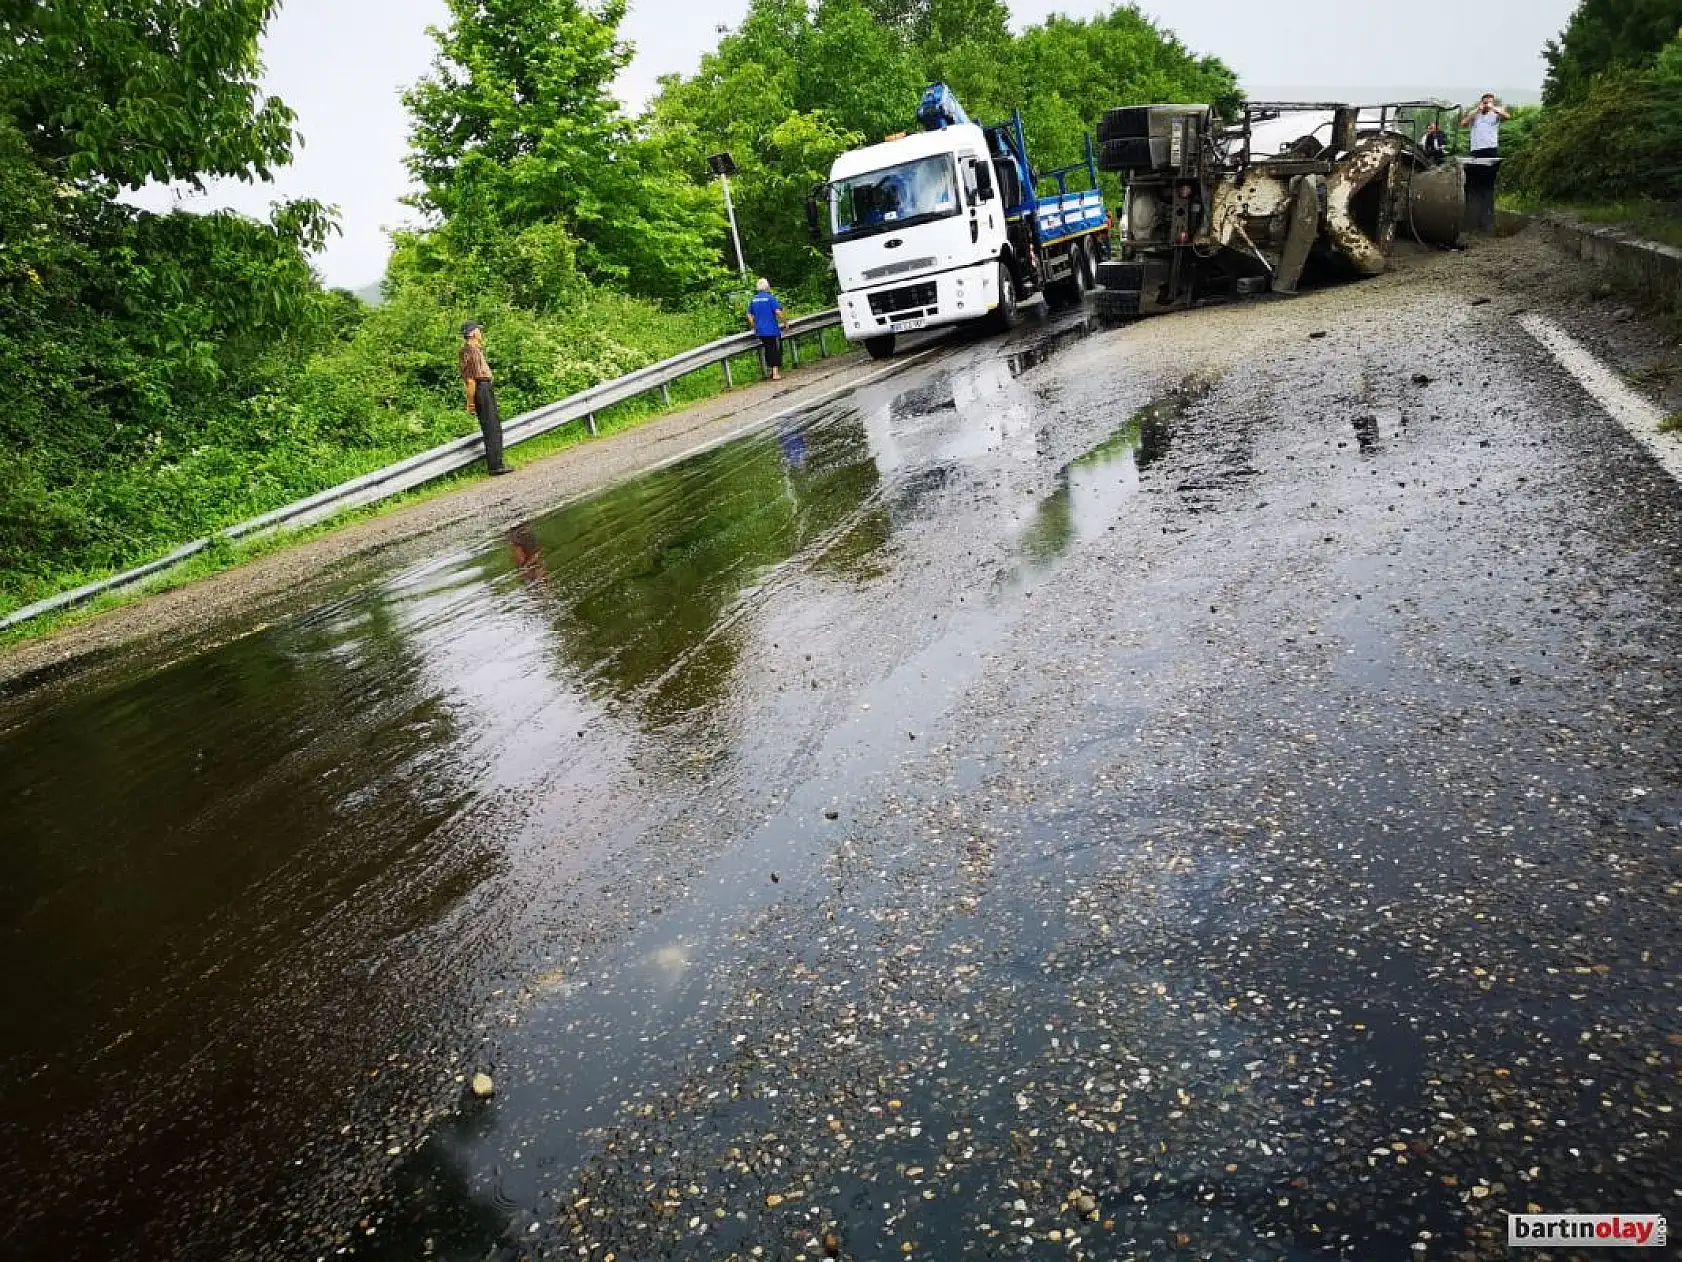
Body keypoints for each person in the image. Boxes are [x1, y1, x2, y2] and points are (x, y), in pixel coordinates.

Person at [459, 321, 512, 476]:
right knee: (491, 427)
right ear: (473, 333)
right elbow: (470, 380)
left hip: (484, 387)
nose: (480, 333)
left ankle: (498, 462)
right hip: (480, 388)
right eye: (478, 330)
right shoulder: (470, 352)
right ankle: (495, 466)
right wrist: (470, 402)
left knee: (494, 425)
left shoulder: (474, 350)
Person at [747, 278, 790, 382]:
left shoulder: (754, 300)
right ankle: (775, 373)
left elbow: (749, 315)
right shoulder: (770, 298)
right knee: (775, 349)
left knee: (768, 349)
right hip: (771, 329)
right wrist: (785, 323)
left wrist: (754, 326)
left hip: (761, 331)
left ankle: (771, 371)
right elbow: (778, 312)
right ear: (767, 287)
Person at [1459, 93, 1511, 159]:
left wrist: (1493, 109)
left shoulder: (1496, 112)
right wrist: (1477, 111)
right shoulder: (1474, 113)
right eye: (1485, 103)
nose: (1487, 105)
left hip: (1491, 147)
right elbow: (1463, 124)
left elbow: (1508, 117)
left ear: (1492, 103)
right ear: (1481, 103)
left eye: (1490, 102)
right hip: (1476, 148)